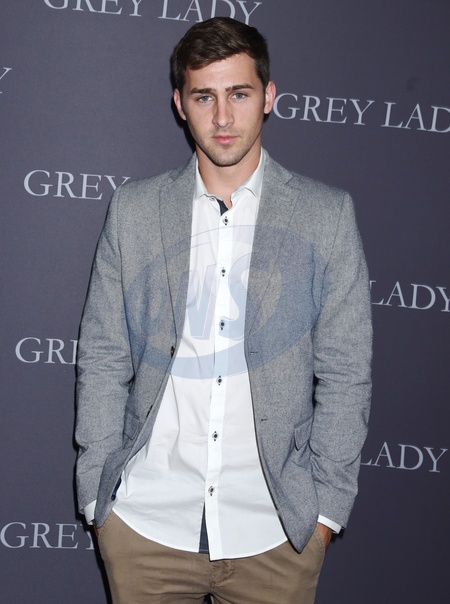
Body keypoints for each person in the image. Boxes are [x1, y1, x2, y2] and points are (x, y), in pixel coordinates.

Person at [75, 16, 372, 604]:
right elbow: (105, 355)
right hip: (145, 524)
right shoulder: (135, 211)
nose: (223, 117)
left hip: (278, 533)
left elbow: (345, 372)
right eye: (204, 96)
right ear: (180, 105)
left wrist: (325, 513)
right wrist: (97, 493)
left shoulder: (326, 215)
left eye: (239, 93)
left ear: (269, 97)